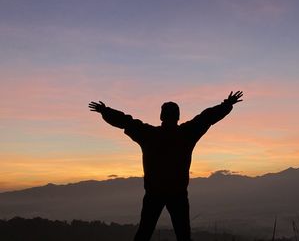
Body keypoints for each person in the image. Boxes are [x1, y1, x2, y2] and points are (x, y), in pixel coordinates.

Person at [88, 91, 243, 241]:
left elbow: (126, 122)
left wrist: (105, 111)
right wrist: (227, 104)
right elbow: (206, 118)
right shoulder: (186, 134)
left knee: (144, 232)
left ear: (161, 116)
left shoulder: (149, 134)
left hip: (154, 193)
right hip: (178, 193)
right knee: (183, 234)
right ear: (178, 116)